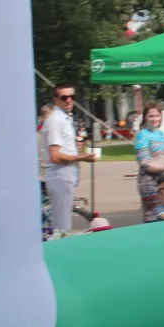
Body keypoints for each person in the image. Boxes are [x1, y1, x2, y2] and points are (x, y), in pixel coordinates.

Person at [44, 84, 97, 232]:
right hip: (60, 176)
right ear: (56, 99)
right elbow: (55, 156)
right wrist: (81, 157)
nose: (69, 100)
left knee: (63, 224)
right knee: (62, 227)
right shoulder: (56, 120)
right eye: (64, 97)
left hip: (65, 176)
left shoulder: (65, 118)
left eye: (72, 97)